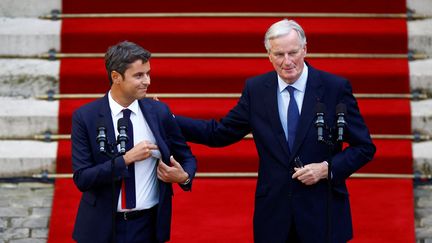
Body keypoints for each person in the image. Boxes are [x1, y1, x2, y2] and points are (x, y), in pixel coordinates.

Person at [175, 19, 376, 242]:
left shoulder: (334, 88)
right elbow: (219, 133)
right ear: (269, 55)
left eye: (293, 53)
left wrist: (325, 169)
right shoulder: (257, 89)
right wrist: (169, 119)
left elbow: (364, 147)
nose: (287, 62)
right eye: (279, 54)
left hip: (322, 212)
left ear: (305, 49)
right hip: (274, 216)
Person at [71, 41, 196, 243]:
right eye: (138, 75)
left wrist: (184, 177)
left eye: (148, 73)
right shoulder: (86, 117)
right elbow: (82, 178)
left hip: (148, 227)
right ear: (116, 77)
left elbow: (186, 156)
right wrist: (126, 159)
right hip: (101, 228)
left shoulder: (159, 112)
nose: (147, 81)